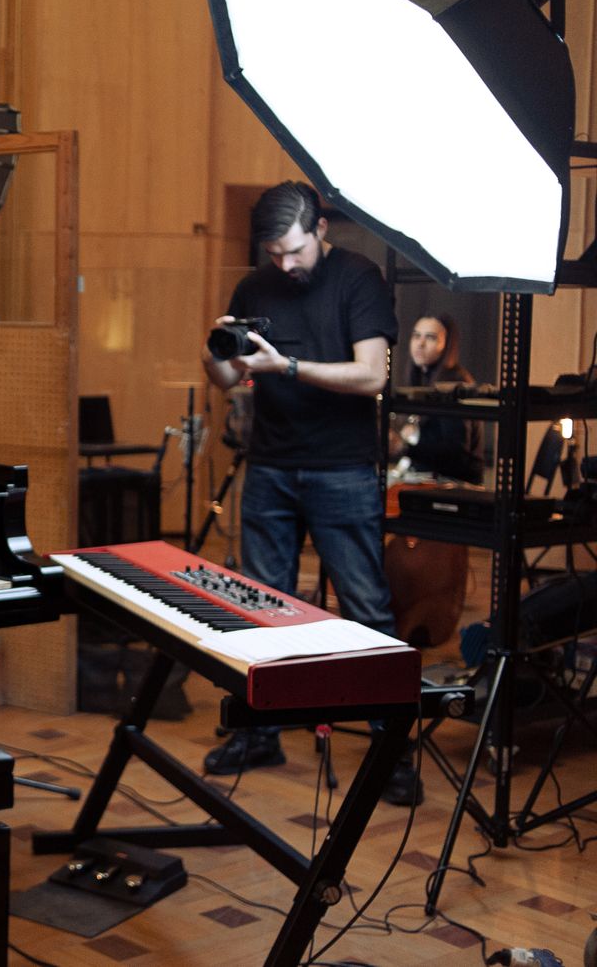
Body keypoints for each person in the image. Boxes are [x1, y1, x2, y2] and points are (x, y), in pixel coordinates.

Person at [200, 181, 420, 805]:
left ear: (321, 229)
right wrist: (216, 349)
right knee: (259, 607)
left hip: (341, 469)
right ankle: (259, 733)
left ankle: (392, 751)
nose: (285, 264)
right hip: (270, 465)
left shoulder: (358, 278)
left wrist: (288, 367)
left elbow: (372, 375)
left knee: (366, 610)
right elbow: (226, 379)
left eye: (294, 250)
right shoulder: (255, 286)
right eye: (274, 253)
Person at [393, 313, 485, 483]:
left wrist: (405, 447)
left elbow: (456, 454)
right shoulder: (423, 379)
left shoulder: (454, 384)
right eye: (416, 336)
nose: (420, 344)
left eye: (430, 337)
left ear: (447, 345)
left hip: (454, 483)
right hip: (428, 475)